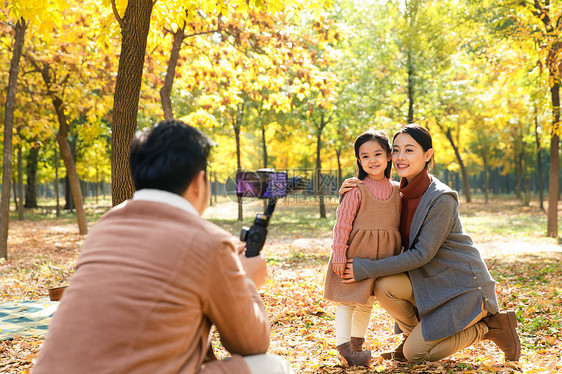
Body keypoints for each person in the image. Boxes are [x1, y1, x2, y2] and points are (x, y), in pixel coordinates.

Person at [32, 120, 292, 374]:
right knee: (273, 367)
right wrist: (247, 280)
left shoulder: (104, 227)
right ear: (199, 182)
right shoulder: (210, 242)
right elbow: (251, 343)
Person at [339, 124, 521, 363]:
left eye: (410, 150)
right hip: (429, 281)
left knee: (415, 355)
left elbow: (421, 254)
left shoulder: (441, 198)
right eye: (396, 150)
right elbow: (365, 209)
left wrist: (366, 267)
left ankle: (490, 327)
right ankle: (412, 335)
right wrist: (349, 192)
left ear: (427, 155)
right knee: (384, 286)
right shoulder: (398, 193)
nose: (401, 157)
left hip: (461, 287)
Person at [323, 130, 402, 367]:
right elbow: (342, 224)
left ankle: (357, 346)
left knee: (366, 303)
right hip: (355, 254)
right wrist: (339, 254)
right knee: (347, 302)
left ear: (389, 156)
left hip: (381, 257)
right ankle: (344, 347)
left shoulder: (399, 190)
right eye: (365, 156)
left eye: (377, 154)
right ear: (359, 161)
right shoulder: (357, 189)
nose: (372, 160)